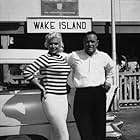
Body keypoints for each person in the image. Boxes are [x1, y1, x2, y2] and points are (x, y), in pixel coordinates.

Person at [67, 31, 115, 140]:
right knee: (84, 127)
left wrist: (108, 83)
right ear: (83, 43)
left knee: (99, 127)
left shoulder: (104, 56)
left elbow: (111, 70)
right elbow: (61, 63)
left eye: (92, 41)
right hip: (81, 95)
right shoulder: (74, 56)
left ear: (97, 43)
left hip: (98, 93)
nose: (90, 44)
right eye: (87, 42)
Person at [23, 32, 71, 140]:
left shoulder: (64, 58)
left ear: (60, 44)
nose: (53, 46)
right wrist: (41, 86)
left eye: (56, 44)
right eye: (50, 44)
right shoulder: (45, 58)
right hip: (51, 98)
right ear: (47, 44)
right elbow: (27, 72)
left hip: (63, 98)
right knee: (64, 135)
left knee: (55, 133)